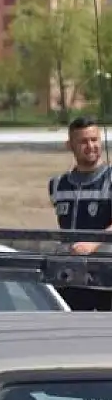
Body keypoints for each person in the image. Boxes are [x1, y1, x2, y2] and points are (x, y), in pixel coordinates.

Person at [49, 115, 112, 311]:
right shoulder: (57, 184)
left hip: (106, 277)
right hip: (70, 277)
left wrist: (93, 244)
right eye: (83, 141)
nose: (91, 146)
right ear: (70, 145)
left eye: (94, 140)